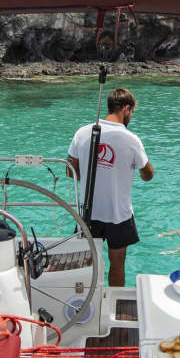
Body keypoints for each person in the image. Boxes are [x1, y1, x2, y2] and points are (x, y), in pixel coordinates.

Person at [68, 88, 154, 287]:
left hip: (88, 212)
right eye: (131, 112)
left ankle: (88, 300)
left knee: (86, 265)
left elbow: (71, 171)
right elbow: (148, 175)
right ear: (126, 109)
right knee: (117, 264)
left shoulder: (82, 132)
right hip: (119, 214)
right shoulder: (131, 139)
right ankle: (115, 300)